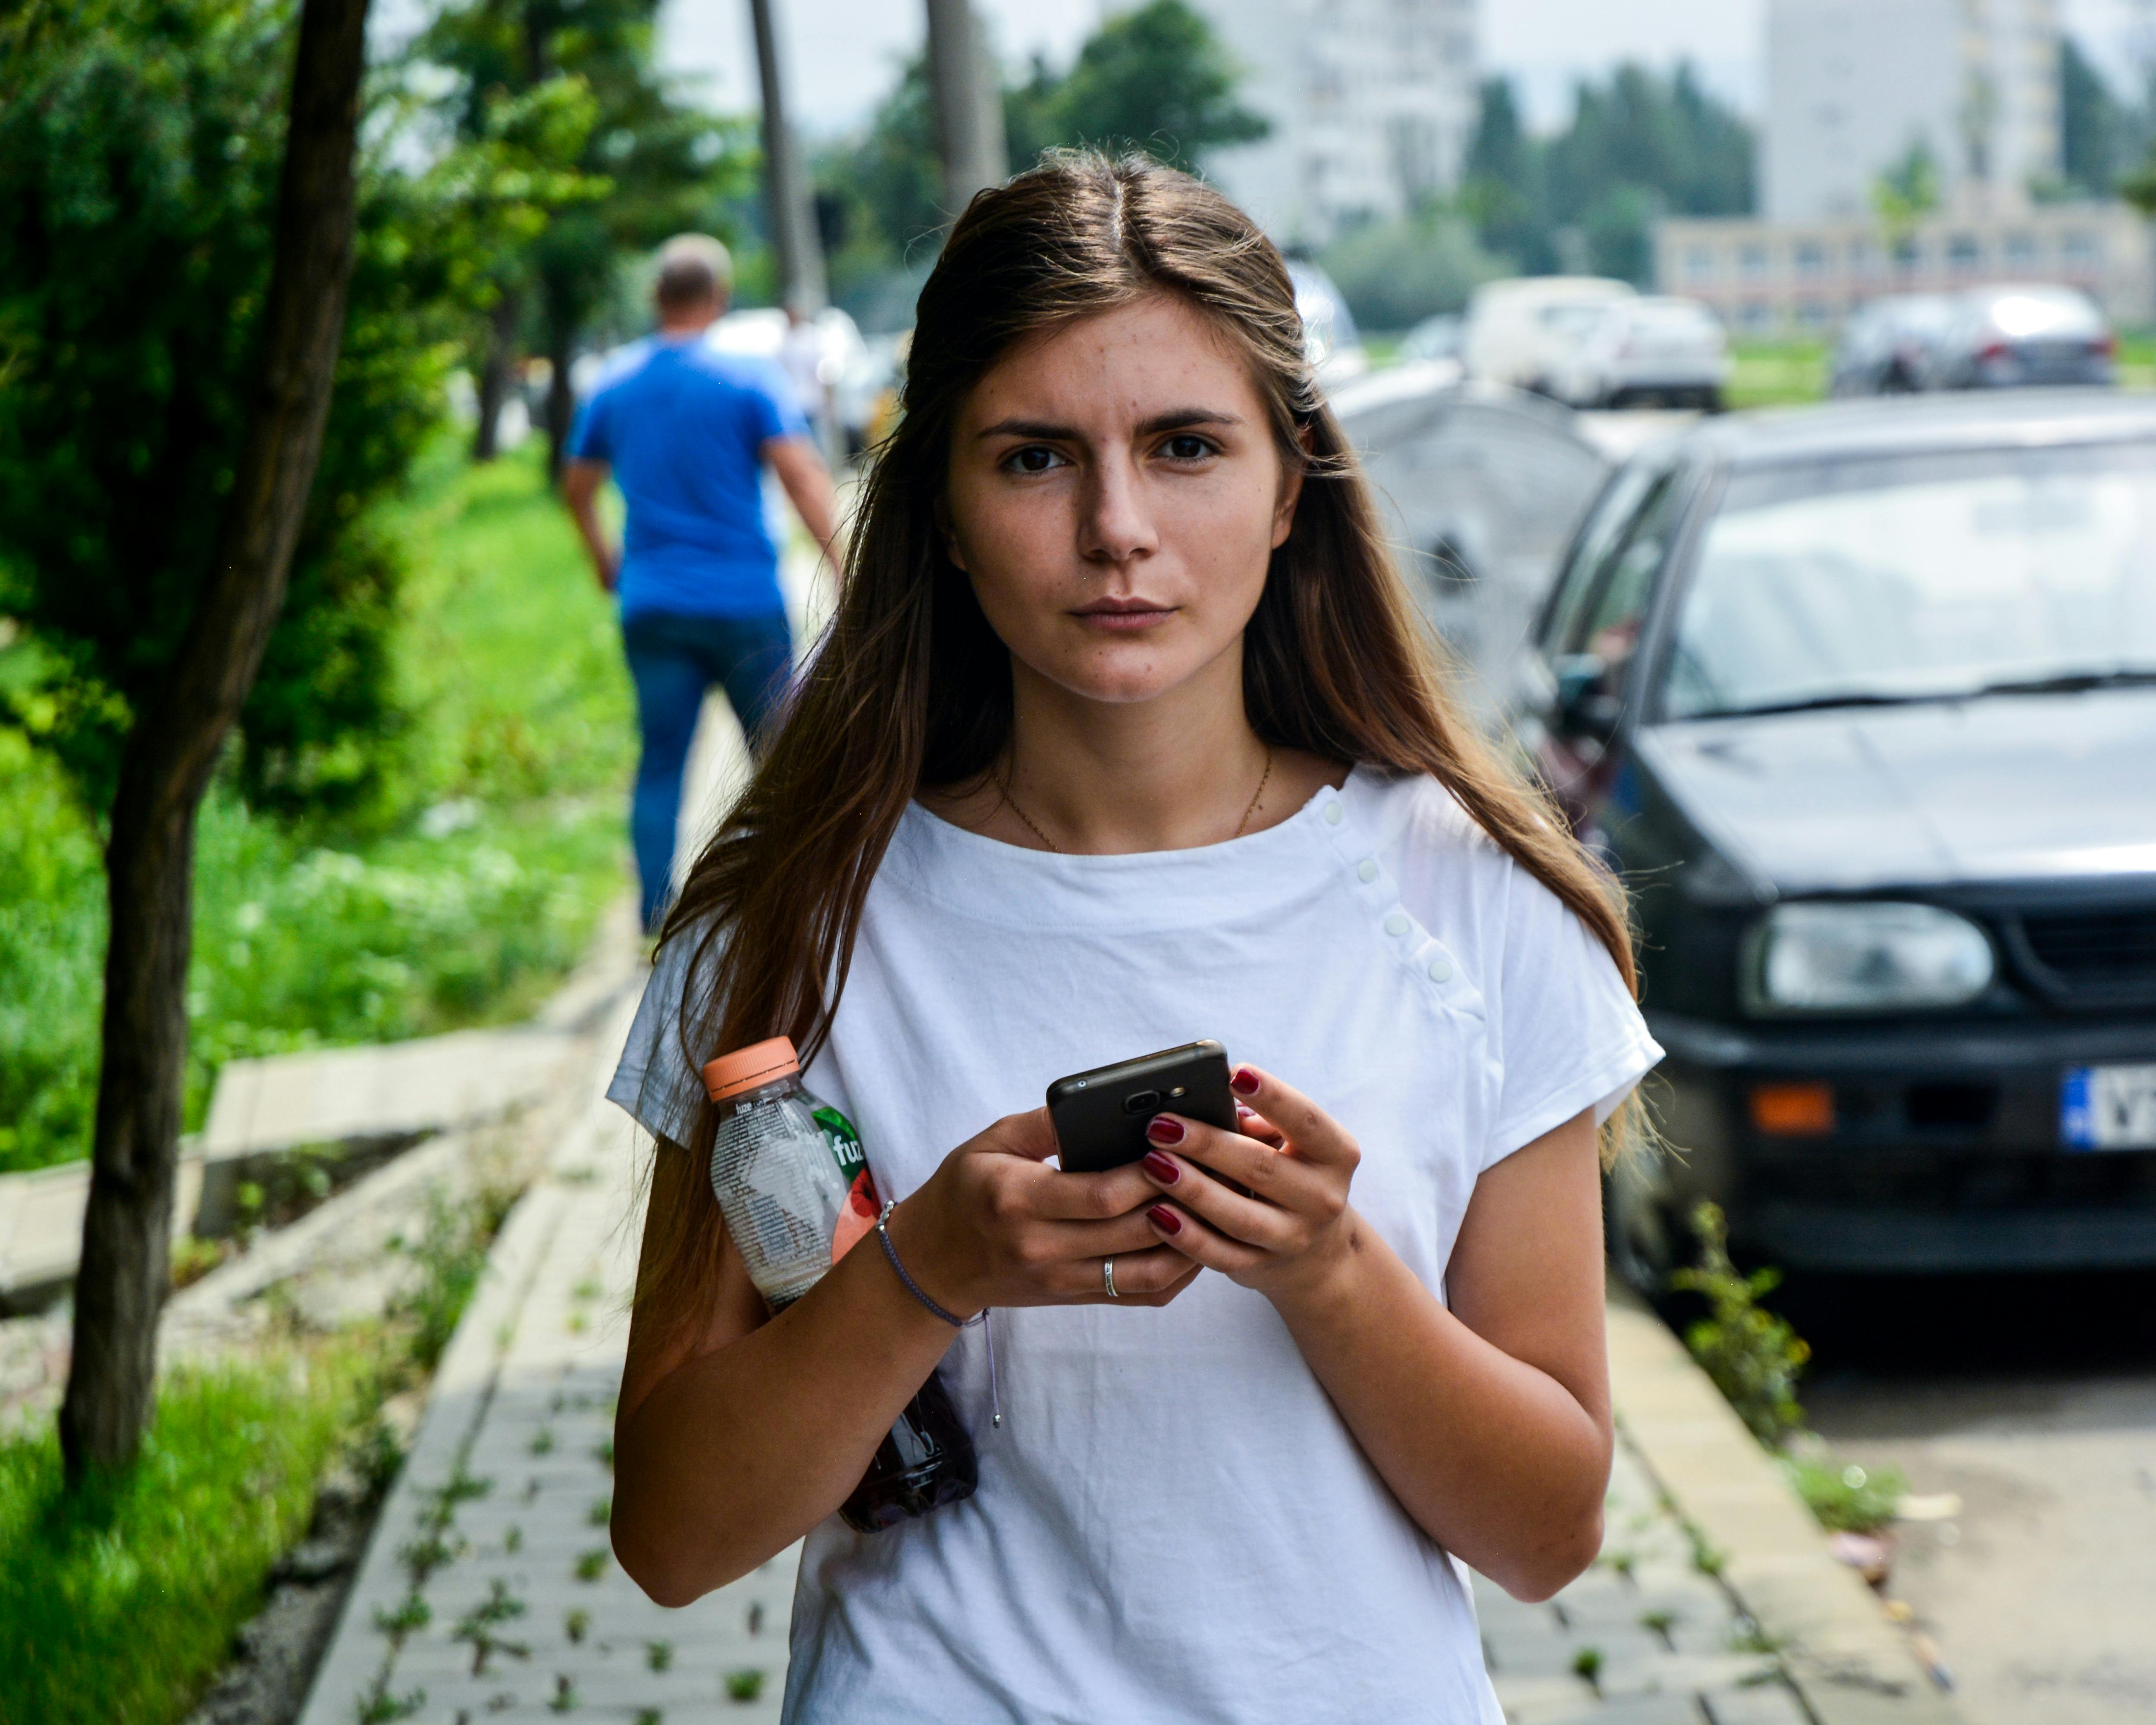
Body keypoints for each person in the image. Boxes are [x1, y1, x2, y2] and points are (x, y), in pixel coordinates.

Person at [605, 153, 1662, 1723]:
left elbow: (1547, 1534)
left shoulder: (1478, 901)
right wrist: (925, 1271)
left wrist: (1330, 1272)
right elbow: (675, 1538)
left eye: (1185, 448)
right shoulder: (788, 926)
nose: (1117, 529)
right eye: (1034, 458)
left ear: (1292, 483)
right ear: (946, 512)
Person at [562, 234, 842, 932]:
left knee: (661, 762)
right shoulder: (749, 379)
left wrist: (604, 557)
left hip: (652, 602)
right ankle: (792, 906)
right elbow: (802, 475)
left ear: (657, 298)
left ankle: (656, 921)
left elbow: (577, 486)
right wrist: (840, 563)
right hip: (744, 602)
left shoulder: (615, 384)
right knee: (779, 761)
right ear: (718, 298)